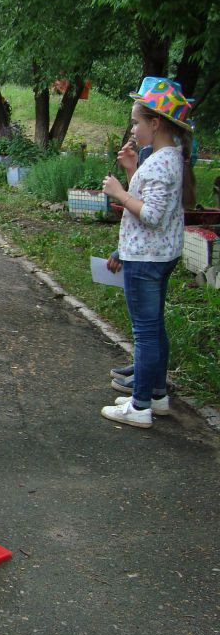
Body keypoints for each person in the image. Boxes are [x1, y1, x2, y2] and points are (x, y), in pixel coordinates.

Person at [99, 77, 196, 428]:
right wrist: (130, 172)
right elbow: (159, 200)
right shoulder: (167, 158)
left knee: (144, 333)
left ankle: (139, 406)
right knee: (154, 329)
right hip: (159, 254)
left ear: (156, 124)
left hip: (146, 259)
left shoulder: (159, 162)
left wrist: (119, 192)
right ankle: (156, 395)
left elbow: (151, 214)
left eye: (137, 122)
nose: (133, 129)